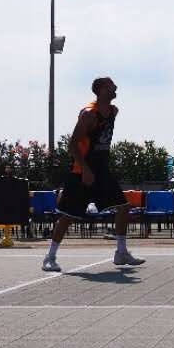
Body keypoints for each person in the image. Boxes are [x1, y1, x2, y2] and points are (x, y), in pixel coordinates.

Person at [41, 77, 145, 272]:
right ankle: (50, 257)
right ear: (102, 90)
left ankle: (121, 253)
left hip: (102, 171)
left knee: (123, 207)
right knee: (68, 216)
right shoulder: (89, 114)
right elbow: (73, 144)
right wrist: (85, 169)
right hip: (81, 172)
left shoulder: (113, 111)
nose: (116, 87)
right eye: (111, 85)